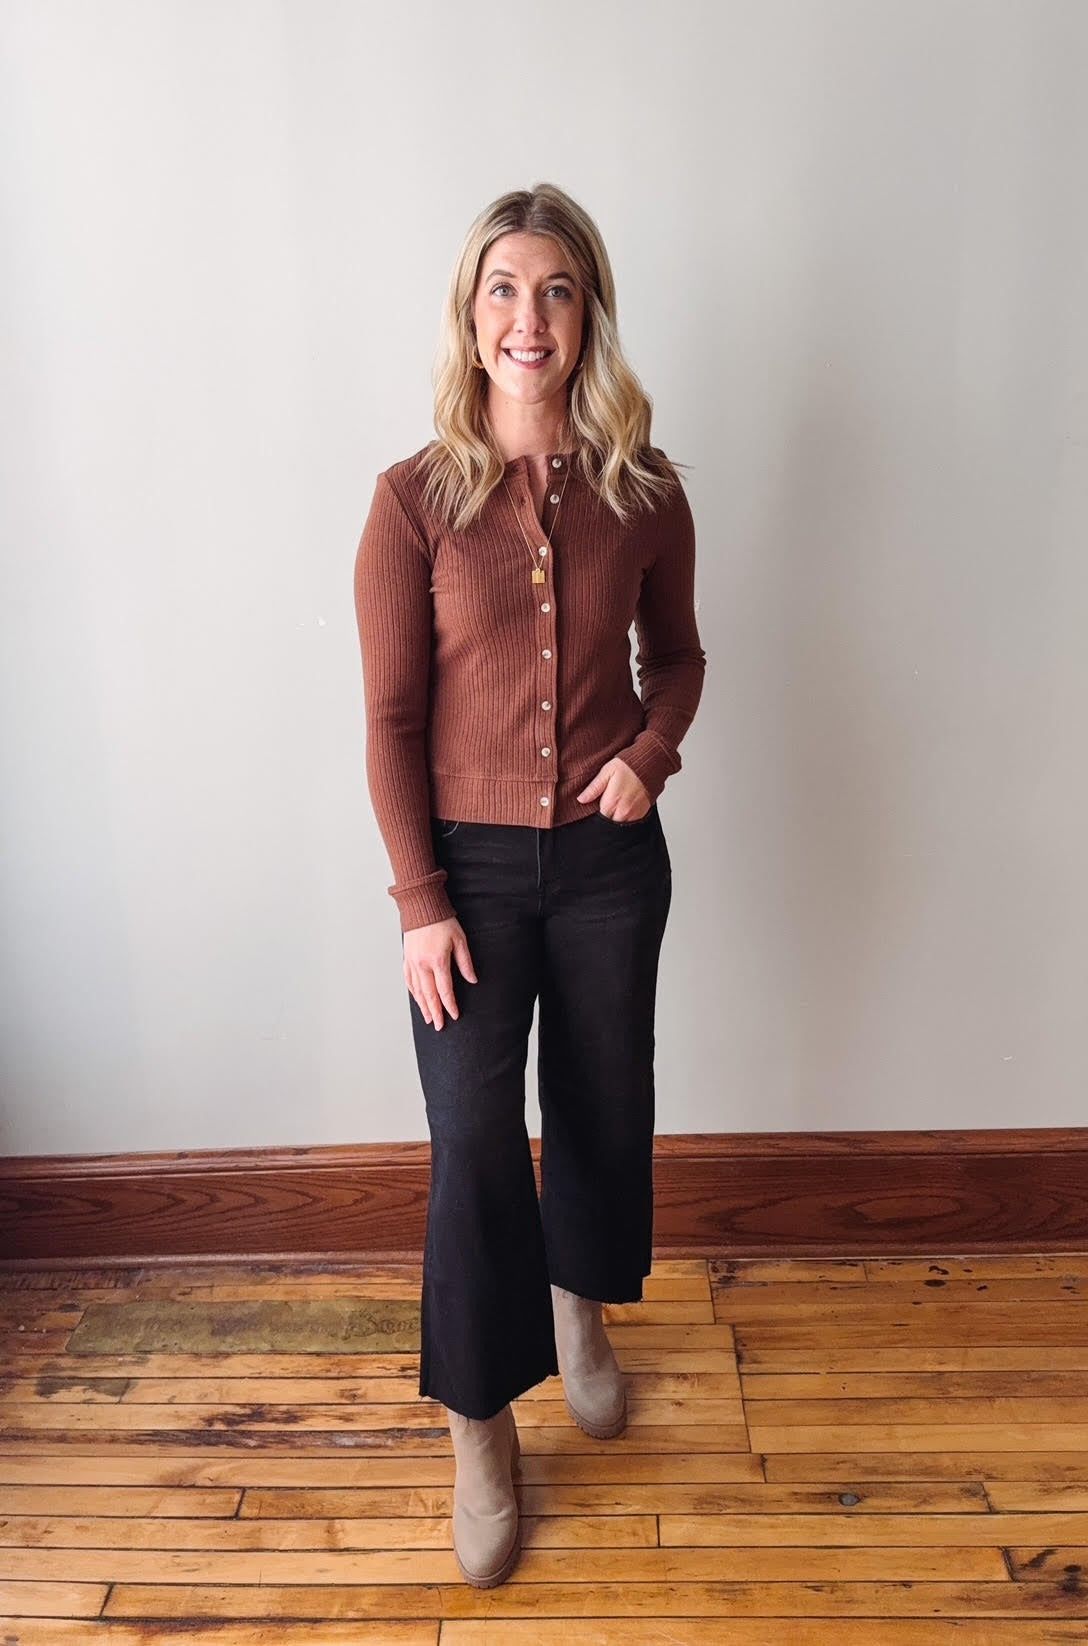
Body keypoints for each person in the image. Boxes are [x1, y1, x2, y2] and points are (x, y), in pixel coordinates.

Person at [353, 181, 706, 1588]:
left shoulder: (648, 488)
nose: (529, 317)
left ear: (589, 312)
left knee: (609, 1101)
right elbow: (387, 723)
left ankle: (580, 1306)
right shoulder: (412, 501)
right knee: (473, 1145)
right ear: (469, 314)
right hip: (469, 879)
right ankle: (480, 1422)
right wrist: (418, 901)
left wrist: (655, 752)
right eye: (504, 288)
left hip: (614, 861)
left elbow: (677, 656)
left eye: (556, 289)